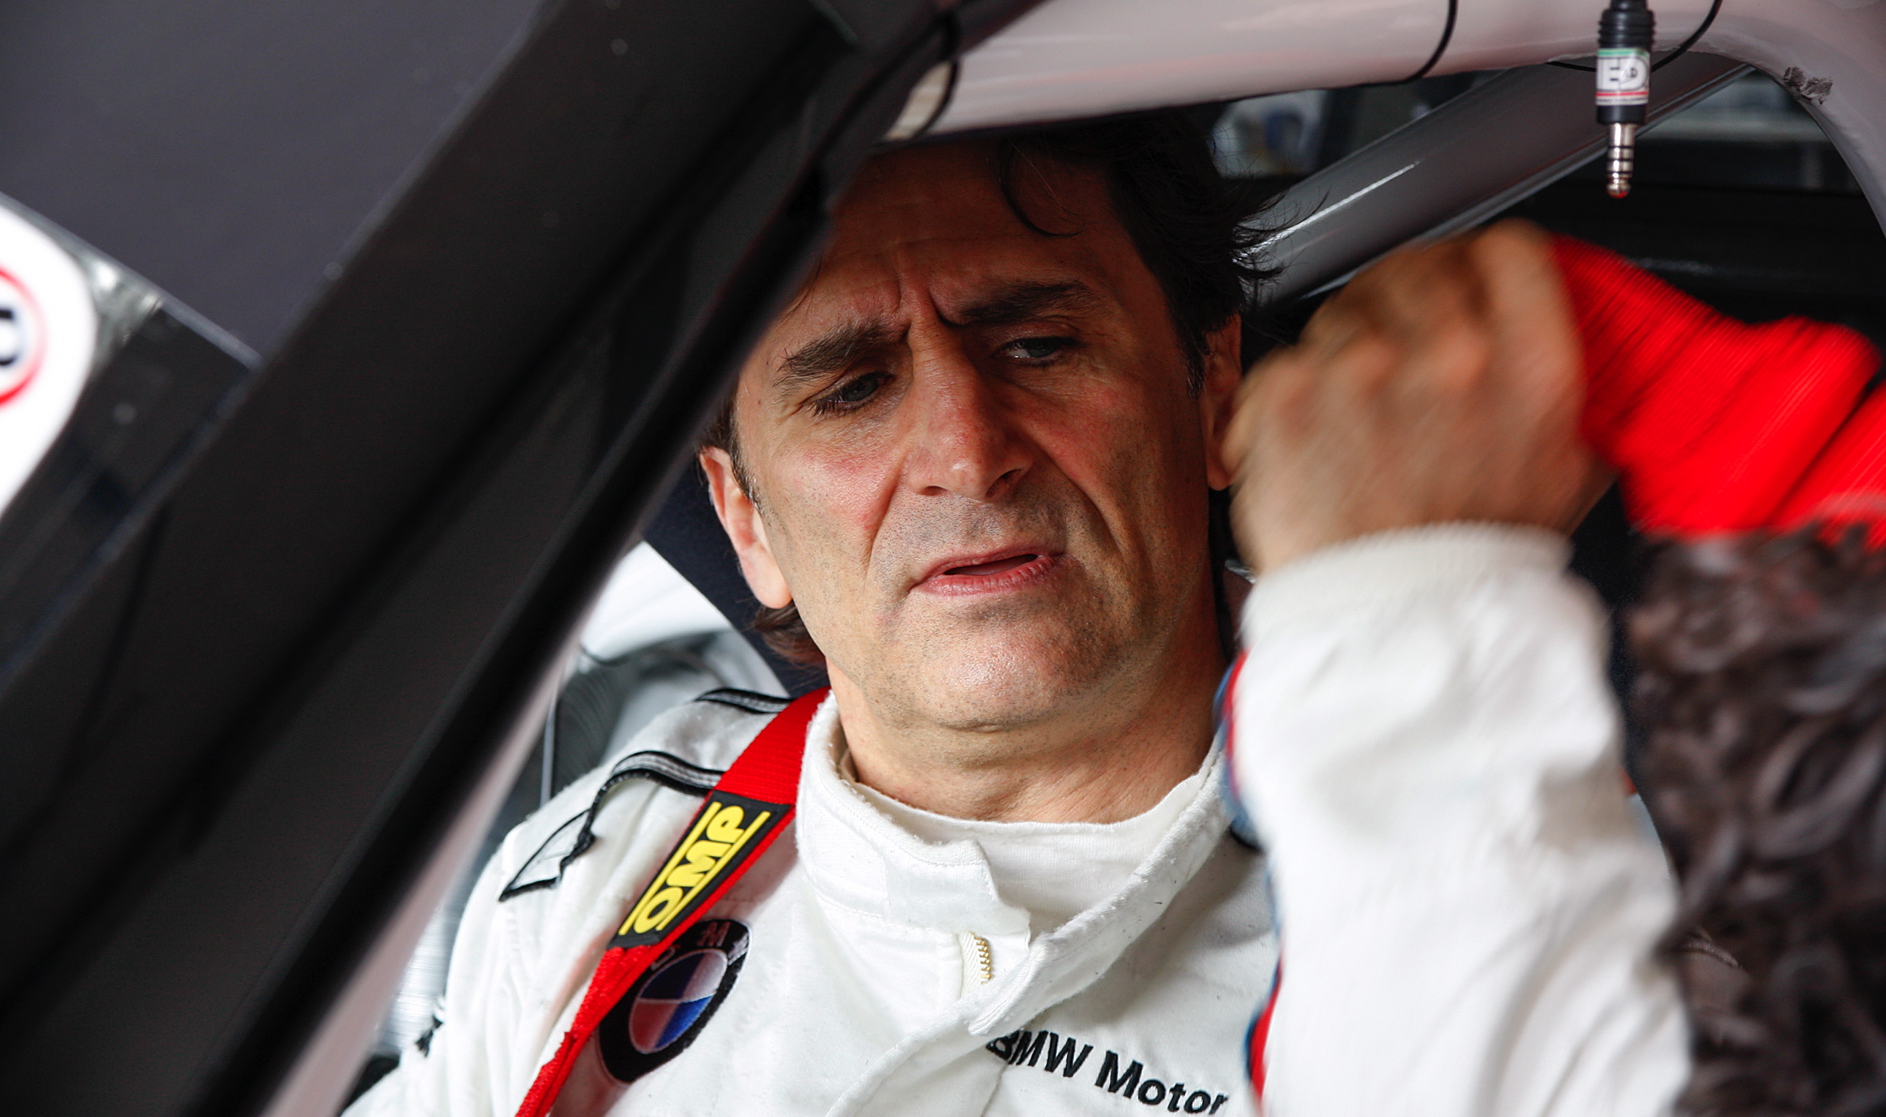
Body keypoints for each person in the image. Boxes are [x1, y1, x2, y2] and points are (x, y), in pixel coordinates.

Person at [348, 114, 1689, 1117]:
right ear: (744, 518)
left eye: (1038, 347)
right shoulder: (617, 855)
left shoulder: (1511, 891)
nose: (967, 451)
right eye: (852, 388)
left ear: (1210, 386)